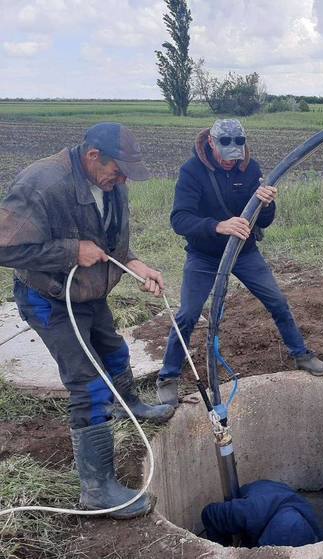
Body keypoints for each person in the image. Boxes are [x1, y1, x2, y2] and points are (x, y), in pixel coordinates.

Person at [0, 123, 173, 518]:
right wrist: (69, 251)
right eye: (118, 169)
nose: (123, 178)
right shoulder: (43, 183)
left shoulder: (112, 185)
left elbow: (114, 247)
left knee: (113, 351)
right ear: (93, 155)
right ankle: (98, 489)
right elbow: (5, 247)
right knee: (87, 383)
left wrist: (136, 264)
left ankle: (131, 404)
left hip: (89, 295)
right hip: (50, 299)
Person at [156, 119, 323, 407]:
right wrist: (218, 226)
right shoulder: (192, 171)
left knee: (277, 301)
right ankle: (168, 376)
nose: (231, 162)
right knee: (188, 314)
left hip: (244, 252)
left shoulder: (250, 167)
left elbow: (264, 220)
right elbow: (179, 219)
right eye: (226, 156)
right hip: (204, 255)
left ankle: (301, 354)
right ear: (212, 143)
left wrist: (267, 203)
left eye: (236, 155)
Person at [201, 480, 323, 548]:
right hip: (256, 500)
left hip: (279, 497)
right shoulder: (246, 513)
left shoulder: (314, 531)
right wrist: (223, 549)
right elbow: (209, 514)